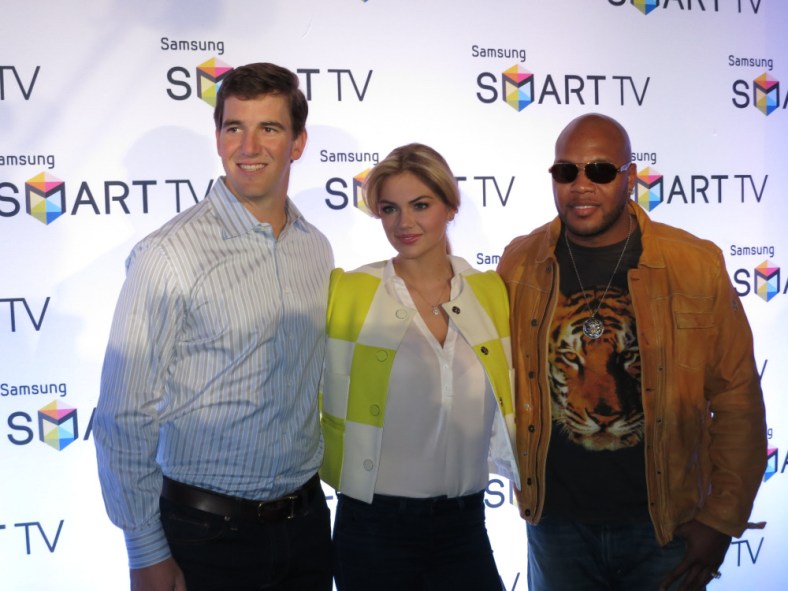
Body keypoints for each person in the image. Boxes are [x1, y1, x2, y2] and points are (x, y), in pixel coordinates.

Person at [497, 113, 767, 591]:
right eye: (566, 171)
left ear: (630, 177)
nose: (581, 186)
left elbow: (737, 398)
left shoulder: (694, 264)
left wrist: (721, 519)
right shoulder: (521, 263)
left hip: (665, 526)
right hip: (556, 526)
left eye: (600, 171)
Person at [94, 62, 334, 591]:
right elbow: (122, 414)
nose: (249, 147)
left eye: (269, 128)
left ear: (297, 143)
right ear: (218, 137)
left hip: (308, 527)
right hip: (205, 537)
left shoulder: (316, 248)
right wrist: (145, 550)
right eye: (234, 128)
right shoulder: (168, 255)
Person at [320, 143, 519, 591]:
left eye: (420, 205)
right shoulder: (349, 291)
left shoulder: (491, 293)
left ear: (450, 206)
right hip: (372, 528)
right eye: (390, 209)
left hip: (465, 526)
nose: (403, 223)